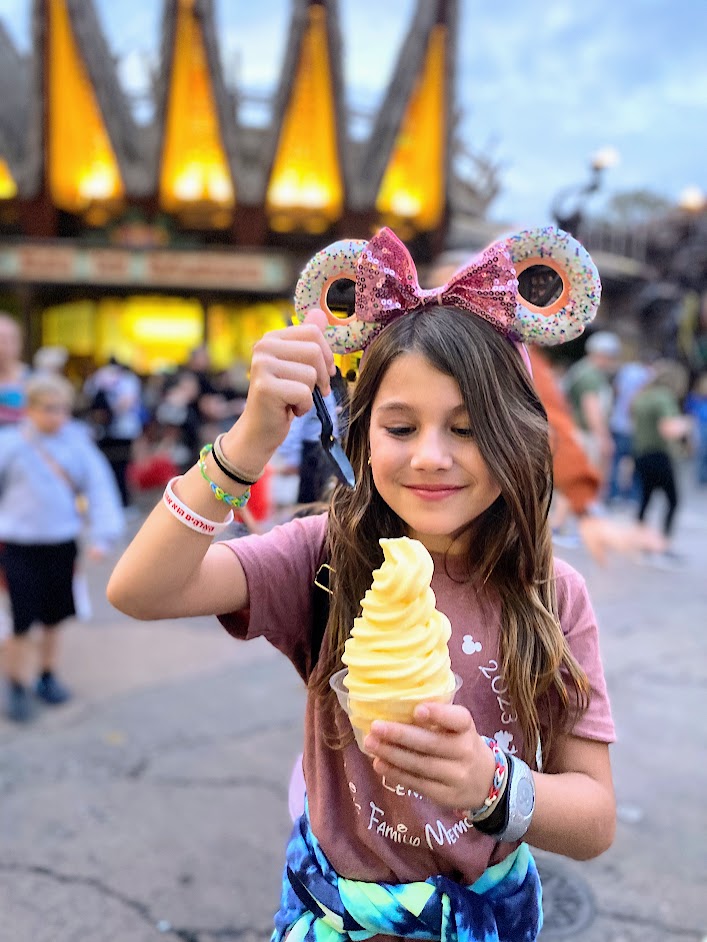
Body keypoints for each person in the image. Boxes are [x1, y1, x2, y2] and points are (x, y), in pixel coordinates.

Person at [108, 228, 616, 941]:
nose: (430, 456)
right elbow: (140, 590)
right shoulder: (325, 556)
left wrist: (488, 786)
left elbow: (594, 819)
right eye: (400, 428)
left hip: (485, 918)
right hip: (332, 917)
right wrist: (247, 443)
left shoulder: (551, 594)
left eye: (467, 428)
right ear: (362, 436)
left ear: (519, 434)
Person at [0, 374, 124, 722]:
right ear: (31, 408)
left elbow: (99, 488)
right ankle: (16, 682)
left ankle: (47, 674)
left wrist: (103, 535)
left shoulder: (77, 445)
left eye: (63, 409)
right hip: (18, 546)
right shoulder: (10, 444)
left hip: (61, 543)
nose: (58, 417)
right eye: (50, 409)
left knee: (54, 617)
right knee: (20, 620)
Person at [631, 359, 693, 562]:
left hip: (641, 453)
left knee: (645, 500)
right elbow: (668, 429)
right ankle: (663, 546)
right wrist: (687, 424)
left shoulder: (643, 396)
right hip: (659, 454)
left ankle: (640, 542)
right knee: (673, 500)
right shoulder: (664, 397)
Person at [563, 330, 622, 487]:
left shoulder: (583, 370)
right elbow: (592, 409)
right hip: (585, 435)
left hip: (580, 432)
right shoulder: (589, 375)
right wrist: (604, 438)